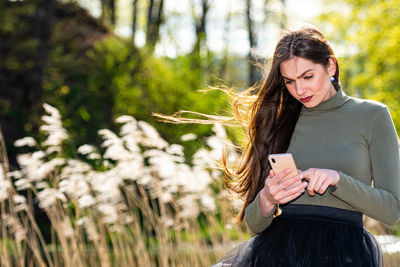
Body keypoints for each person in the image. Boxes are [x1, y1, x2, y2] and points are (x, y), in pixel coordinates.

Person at [212, 26, 400, 266]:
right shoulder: (277, 120)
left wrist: (337, 180)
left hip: (345, 255)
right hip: (278, 254)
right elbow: (255, 224)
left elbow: (391, 211)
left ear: (330, 66)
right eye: (289, 81)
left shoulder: (372, 115)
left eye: (307, 76)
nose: (299, 90)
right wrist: (268, 198)